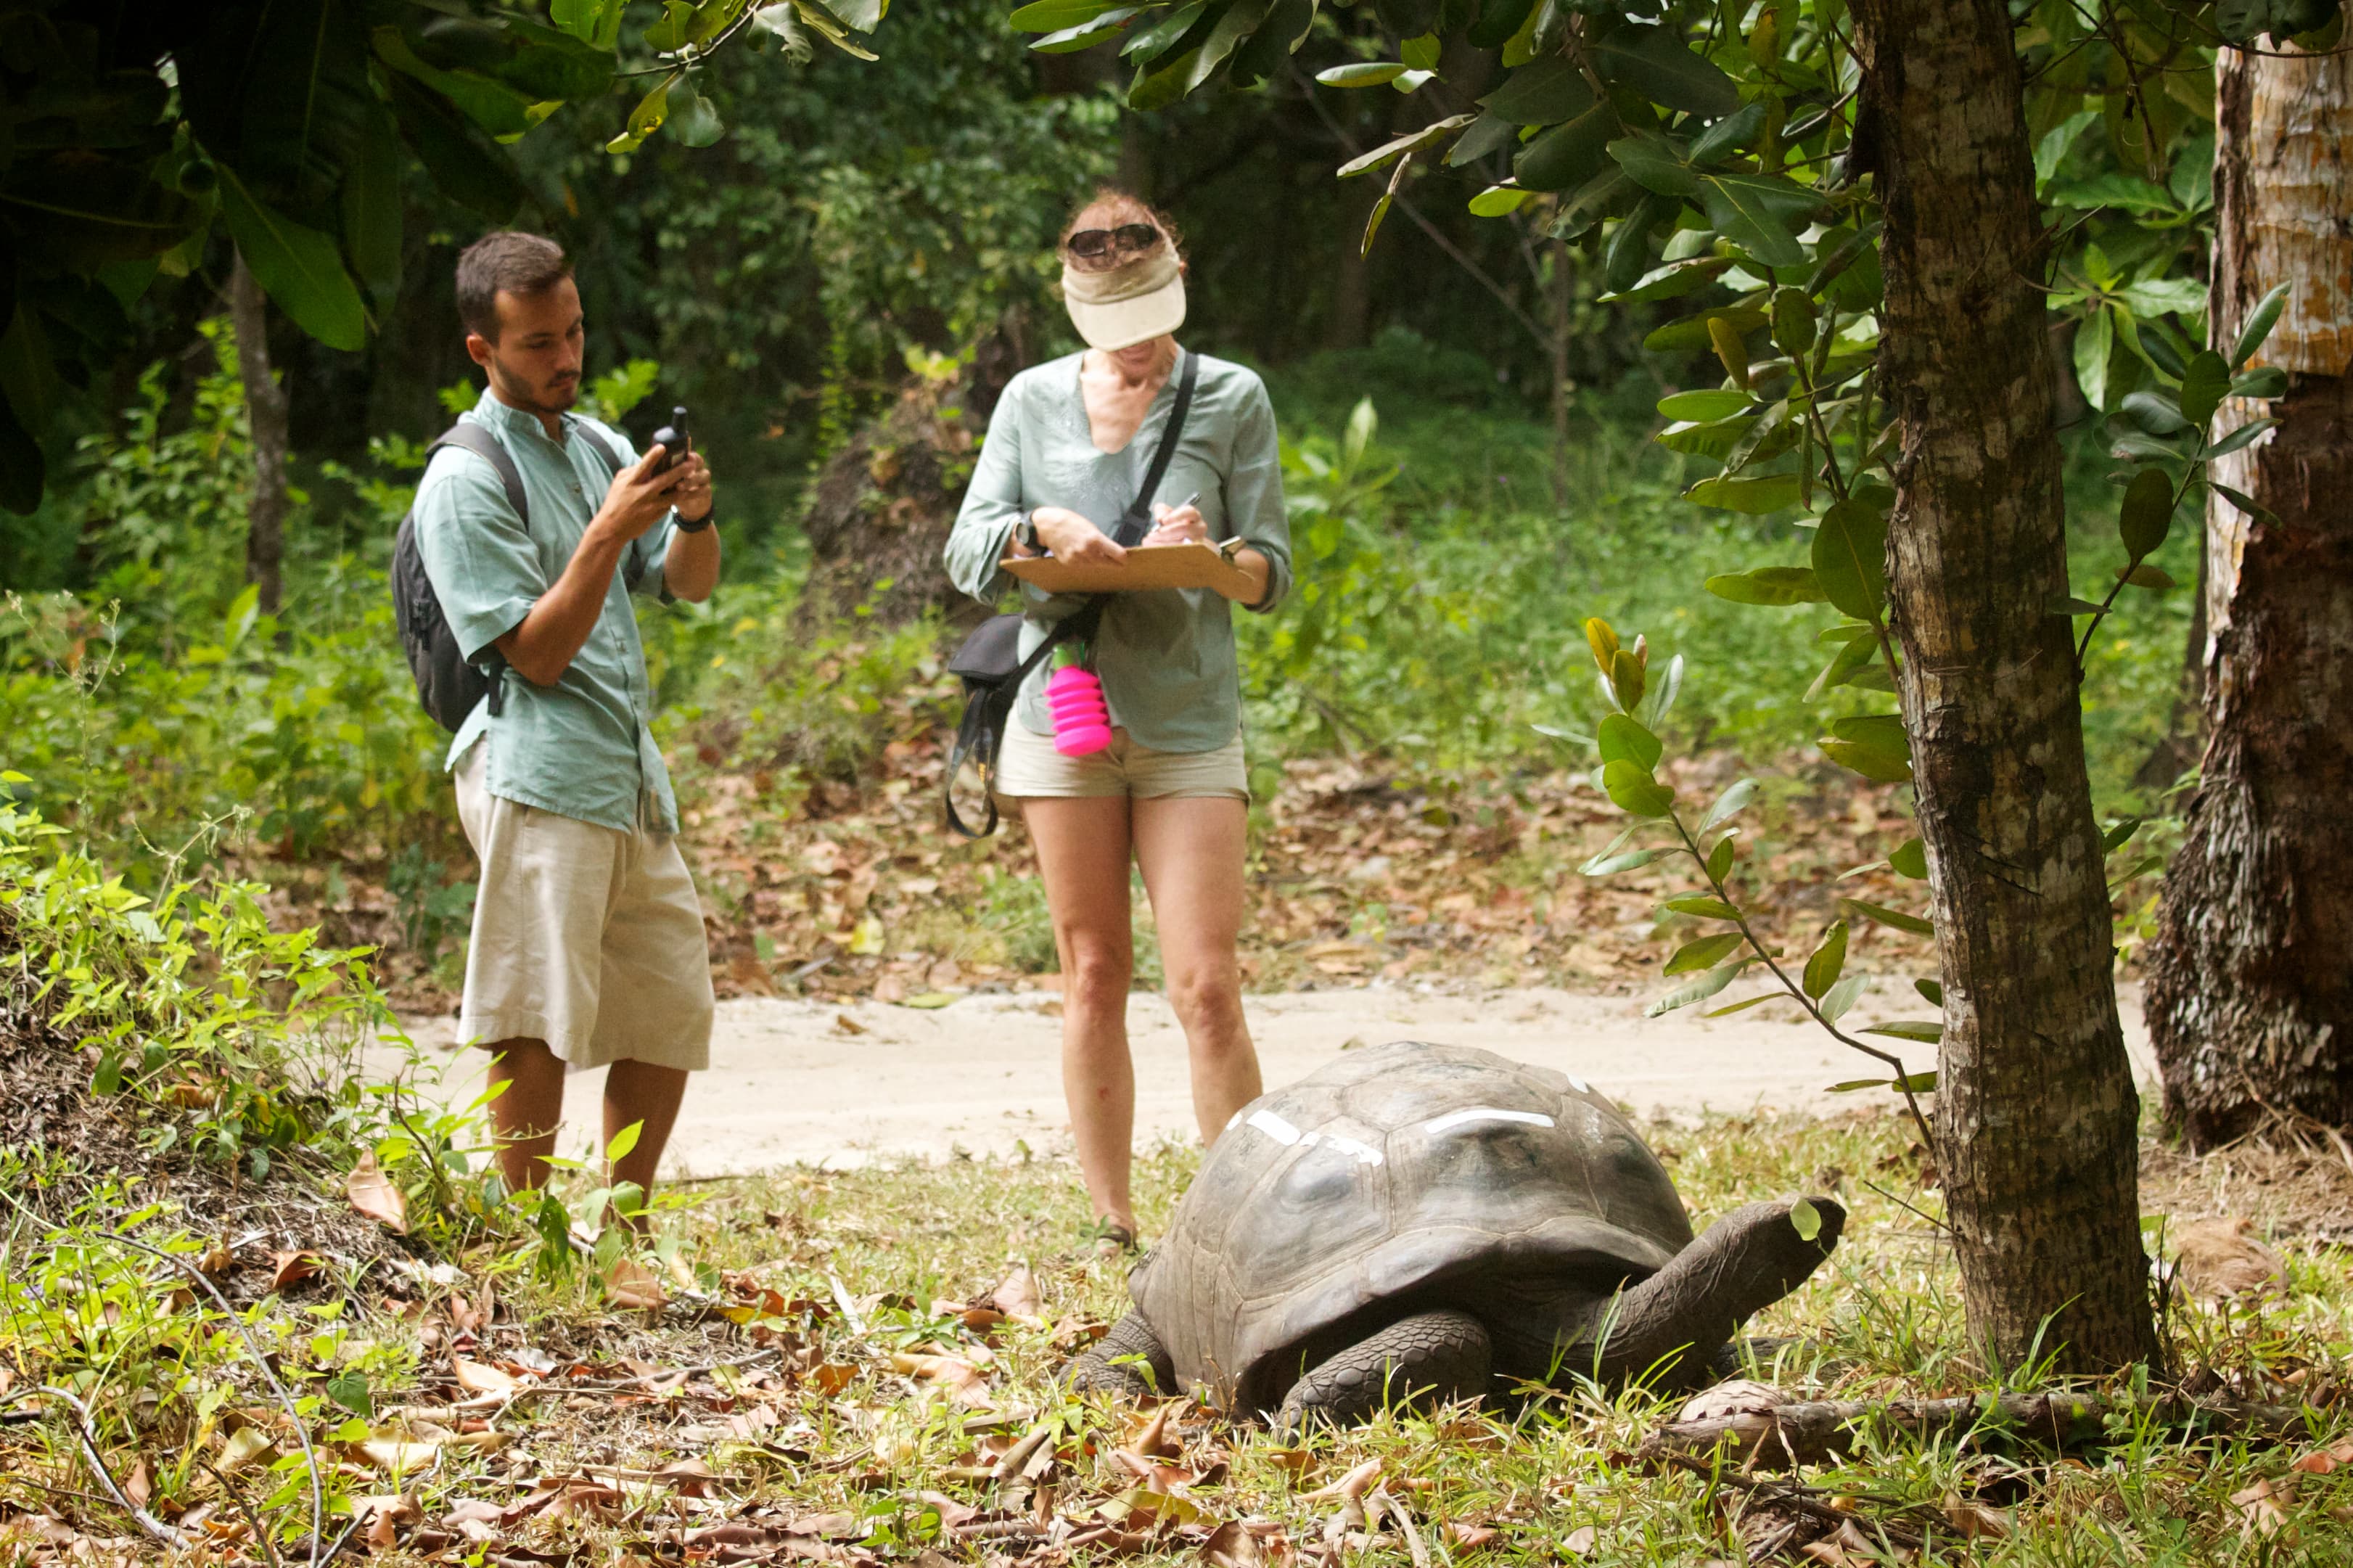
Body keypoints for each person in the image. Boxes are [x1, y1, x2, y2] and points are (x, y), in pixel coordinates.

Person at [943, 190, 1294, 1249]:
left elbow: (1272, 570)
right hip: (1066, 711)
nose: (1135, 348)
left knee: (1207, 983)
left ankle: (1243, 1223)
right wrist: (1038, 524)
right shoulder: (1028, 400)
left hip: (1187, 713)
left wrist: (1214, 554)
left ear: (1175, 282)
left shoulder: (1232, 397)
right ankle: (1111, 1218)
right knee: (1093, 968)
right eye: (1112, 326)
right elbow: (967, 552)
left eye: (1148, 318)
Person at [412, 231, 722, 1208]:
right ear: (483, 350)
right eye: (539, 343)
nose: (566, 359)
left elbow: (684, 586)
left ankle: (624, 1225)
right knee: (536, 1012)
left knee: (666, 1004)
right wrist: (605, 530)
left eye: (575, 332)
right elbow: (536, 655)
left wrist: (693, 519)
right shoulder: (462, 483)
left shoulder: (596, 447)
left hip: (625, 768)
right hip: (533, 766)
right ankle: (529, 1226)